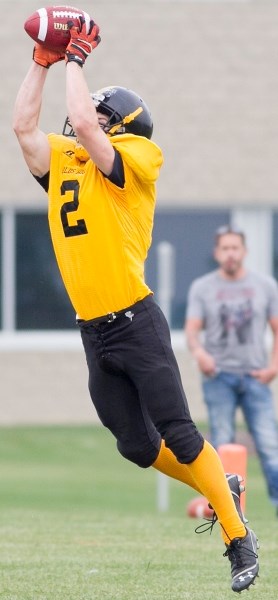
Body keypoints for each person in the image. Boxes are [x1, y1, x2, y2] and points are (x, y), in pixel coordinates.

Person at [13, 18, 259, 593]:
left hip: (134, 320)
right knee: (136, 445)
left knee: (179, 431)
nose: (82, 120)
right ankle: (222, 486)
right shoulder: (69, 160)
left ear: (119, 125)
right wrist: (41, 62)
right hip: (92, 329)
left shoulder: (139, 155)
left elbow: (90, 132)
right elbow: (24, 128)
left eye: (97, 114)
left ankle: (236, 536)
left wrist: (75, 61)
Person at [185, 224, 278, 514]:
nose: (230, 254)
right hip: (219, 377)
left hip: (255, 376)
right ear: (217, 253)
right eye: (224, 248)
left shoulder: (265, 286)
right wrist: (200, 354)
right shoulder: (203, 287)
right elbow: (191, 331)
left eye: (235, 248)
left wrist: (273, 367)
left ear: (244, 252)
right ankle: (226, 509)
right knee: (222, 445)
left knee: (269, 444)